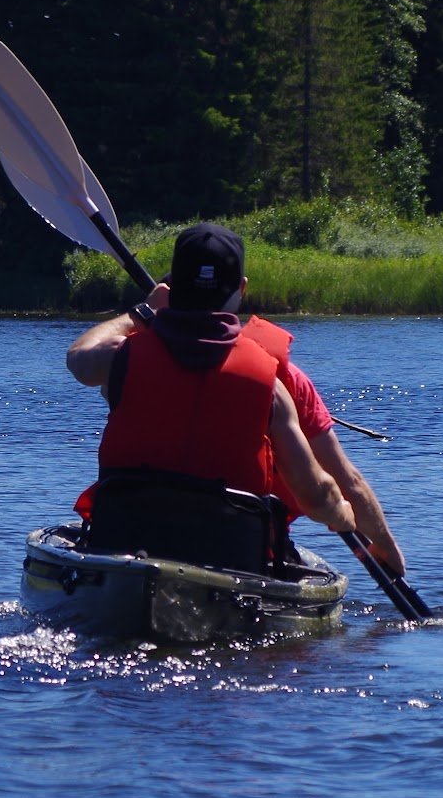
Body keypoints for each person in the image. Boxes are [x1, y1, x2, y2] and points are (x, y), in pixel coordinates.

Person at [65, 223, 406, 573]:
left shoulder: (121, 357)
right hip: (230, 556)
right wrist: (342, 513)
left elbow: (79, 356)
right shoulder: (270, 384)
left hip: (125, 539)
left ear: (171, 289)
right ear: (241, 289)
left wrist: (142, 312)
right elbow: (316, 494)